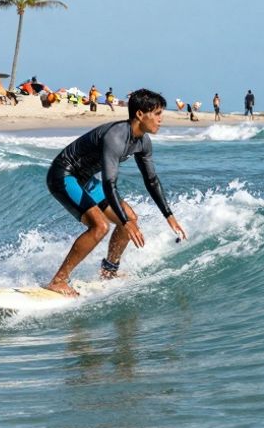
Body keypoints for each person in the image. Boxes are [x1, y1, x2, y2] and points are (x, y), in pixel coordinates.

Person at [44, 88, 187, 296]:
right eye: (157, 114)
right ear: (140, 114)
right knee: (100, 226)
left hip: (85, 179)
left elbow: (151, 180)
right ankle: (58, 280)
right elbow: (109, 183)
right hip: (63, 175)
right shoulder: (116, 136)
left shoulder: (143, 141)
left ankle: (109, 271)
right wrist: (125, 222)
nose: (160, 119)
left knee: (129, 217)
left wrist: (169, 215)